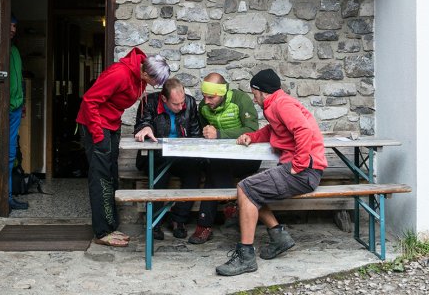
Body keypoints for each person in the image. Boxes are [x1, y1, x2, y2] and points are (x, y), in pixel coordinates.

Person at [216, 69, 327, 276]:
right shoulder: (275, 104)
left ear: (261, 91)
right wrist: (253, 136)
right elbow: (273, 130)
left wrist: (299, 164)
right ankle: (279, 237)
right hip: (304, 169)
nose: (253, 97)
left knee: (245, 188)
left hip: (304, 171)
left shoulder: (282, 104)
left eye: (253, 93)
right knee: (252, 190)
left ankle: (246, 257)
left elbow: (303, 130)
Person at [76, 47, 170, 247]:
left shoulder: (141, 74)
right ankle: (101, 232)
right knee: (100, 177)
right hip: (96, 125)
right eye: (156, 82)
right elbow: (89, 100)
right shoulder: (119, 74)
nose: (157, 86)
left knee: (110, 174)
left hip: (111, 124)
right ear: (145, 73)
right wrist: (98, 134)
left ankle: (110, 226)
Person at [190, 72, 262, 244]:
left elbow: (252, 128)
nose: (206, 101)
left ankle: (204, 226)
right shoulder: (203, 107)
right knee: (214, 165)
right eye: (204, 97)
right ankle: (229, 207)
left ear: (221, 94)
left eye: (210, 98)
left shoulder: (240, 100)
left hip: (247, 159)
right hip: (221, 160)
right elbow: (203, 132)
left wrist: (219, 134)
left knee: (214, 170)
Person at [132, 78, 203, 240]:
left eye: (182, 102)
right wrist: (146, 128)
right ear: (164, 99)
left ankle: (179, 219)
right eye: (175, 104)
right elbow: (143, 123)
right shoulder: (148, 102)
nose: (181, 107)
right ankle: (155, 221)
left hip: (181, 156)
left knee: (194, 173)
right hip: (156, 156)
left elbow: (195, 132)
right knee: (159, 174)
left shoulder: (190, 103)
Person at [7, 16, 28, 211]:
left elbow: (20, 78)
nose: (12, 29)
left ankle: (9, 196)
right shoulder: (2, 51)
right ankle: (6, 196)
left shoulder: (14, 51)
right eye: (10, 25)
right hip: (5, 108)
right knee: (6, 153)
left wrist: (23, 103)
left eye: (15, 25)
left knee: (11, 152)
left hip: (15, 107)